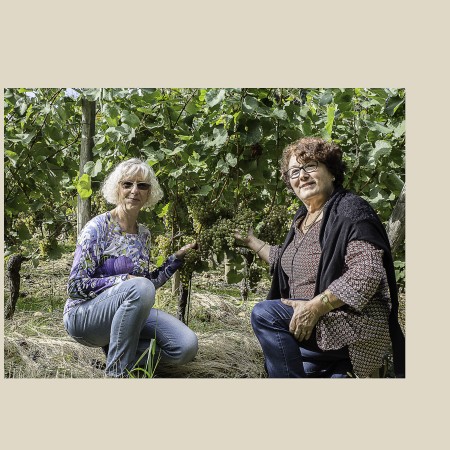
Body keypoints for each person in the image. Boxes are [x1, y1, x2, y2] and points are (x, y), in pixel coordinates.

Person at [236, 137, 405, 378]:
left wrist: (315, 307)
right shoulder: (302, 219)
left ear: (333, 173)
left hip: (347, 323)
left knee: (266, 314)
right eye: (294, 171)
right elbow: (287, 261)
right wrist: (251, 241)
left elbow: (366, 273)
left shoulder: (350, 211)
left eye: (311, 166)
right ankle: (338, 370)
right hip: (316, 330)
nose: (302, 175)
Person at [63, 158, 198, 377]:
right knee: (139, 288)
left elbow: (145, 283)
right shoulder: (97, 228)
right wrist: (122, 279)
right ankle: (118, 373)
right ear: (117, 188)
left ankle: (120, 350)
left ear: (149, 193)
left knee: (185, 346)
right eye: (127, 184)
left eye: (142, 185)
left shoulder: (144, 234)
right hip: (84, 316)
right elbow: (75, 287)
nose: (134, 190)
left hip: (124, 312)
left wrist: (175, 259)